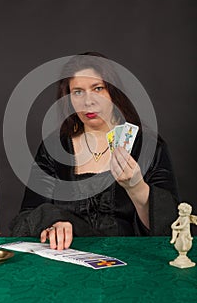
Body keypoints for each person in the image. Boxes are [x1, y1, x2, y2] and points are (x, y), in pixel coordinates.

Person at [10, 52, 179, 250]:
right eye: (78, 92)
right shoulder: (54, 149)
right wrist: (54, 220)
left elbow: (173, 229)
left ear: (113, 93)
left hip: (131, 266)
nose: (88, 101)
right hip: (66, 270)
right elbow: (23, 221)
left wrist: (137, 189)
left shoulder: (150, 147)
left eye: (98, 88)